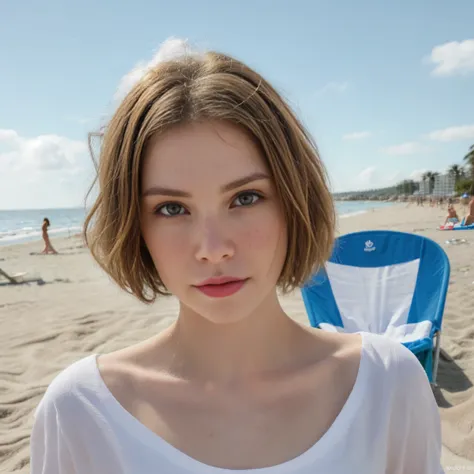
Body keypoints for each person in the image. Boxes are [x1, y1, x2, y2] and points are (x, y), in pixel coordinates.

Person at [30, 49, 444, 473]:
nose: (212, 248)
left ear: (294, 202)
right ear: (135, 226)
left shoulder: (388, 384)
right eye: (172, 208)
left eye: (245, 198)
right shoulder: (81, 412)